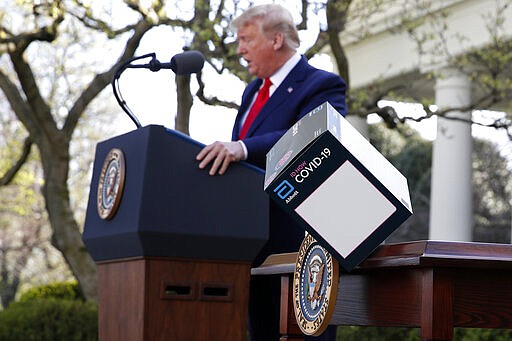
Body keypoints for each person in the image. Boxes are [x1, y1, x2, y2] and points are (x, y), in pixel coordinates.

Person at [196, 4, 346, 341]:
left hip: (301, 248)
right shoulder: (252, 91)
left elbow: (316, 133)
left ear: (277, 39)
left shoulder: (322, 84)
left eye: (246, 40)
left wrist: (243, 147)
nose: (240, 50)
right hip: (251, 244)